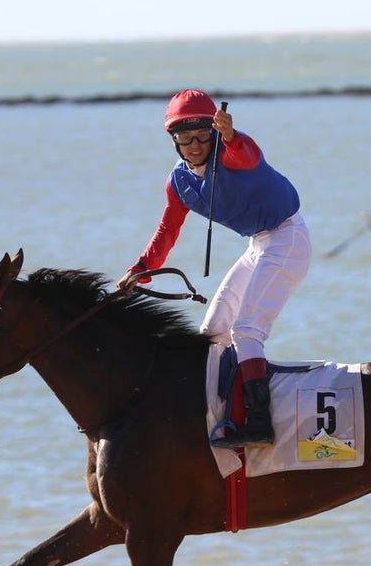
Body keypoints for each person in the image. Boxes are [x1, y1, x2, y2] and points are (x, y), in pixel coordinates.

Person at [118, 89, 311, 449]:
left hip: (288, 238)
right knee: (212, 332)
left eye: (202, 136)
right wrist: (140, 269)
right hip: (259, 243)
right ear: (173, 141)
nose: (194, 145)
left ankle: (259, 423)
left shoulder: (233, 154)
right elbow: (167, 230)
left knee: (247, 329)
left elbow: (247, 155)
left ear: (214, 132)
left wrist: (231, 136)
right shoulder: (178, 182)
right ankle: (213, 411)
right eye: (183, 138)